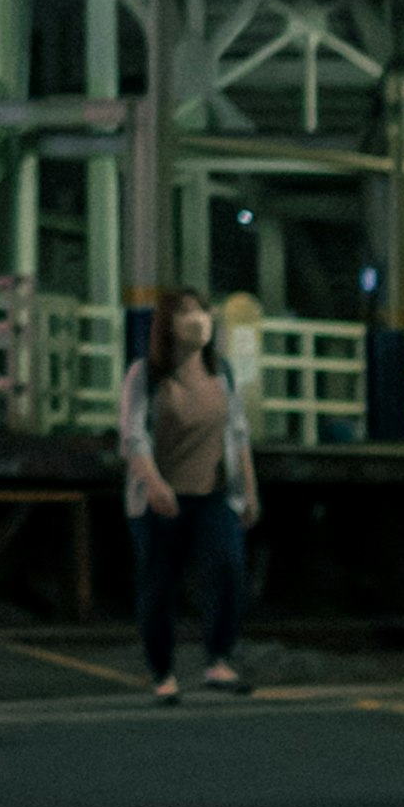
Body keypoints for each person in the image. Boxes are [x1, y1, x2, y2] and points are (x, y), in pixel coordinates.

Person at [123, 284, 255, 697]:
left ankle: (218, 660)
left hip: (214, 494)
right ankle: (162, 672)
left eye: (203, 311)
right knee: (160, 584)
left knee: (228, 569)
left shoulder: (222, 372)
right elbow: (133, 437)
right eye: (186, 313)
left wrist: (249, 490)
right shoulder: (145, 374)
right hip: (161, 500)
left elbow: (238, 434)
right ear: (168, 324)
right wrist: (154, 483)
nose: (198, 319)